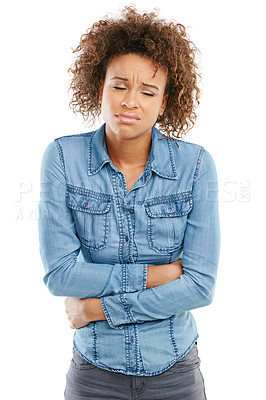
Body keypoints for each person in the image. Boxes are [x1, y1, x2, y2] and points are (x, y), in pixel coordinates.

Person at [38, 5, 220, 400]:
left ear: (165, 101)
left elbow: (200, 287)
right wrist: (160, 274)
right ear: (99, 86)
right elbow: (61, 276)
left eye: (148, 91)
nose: (130, 101)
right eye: (119, 85)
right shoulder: (63, 159)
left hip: (176, 373)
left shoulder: (196, 166)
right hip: (94, 375)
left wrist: (99, 309)